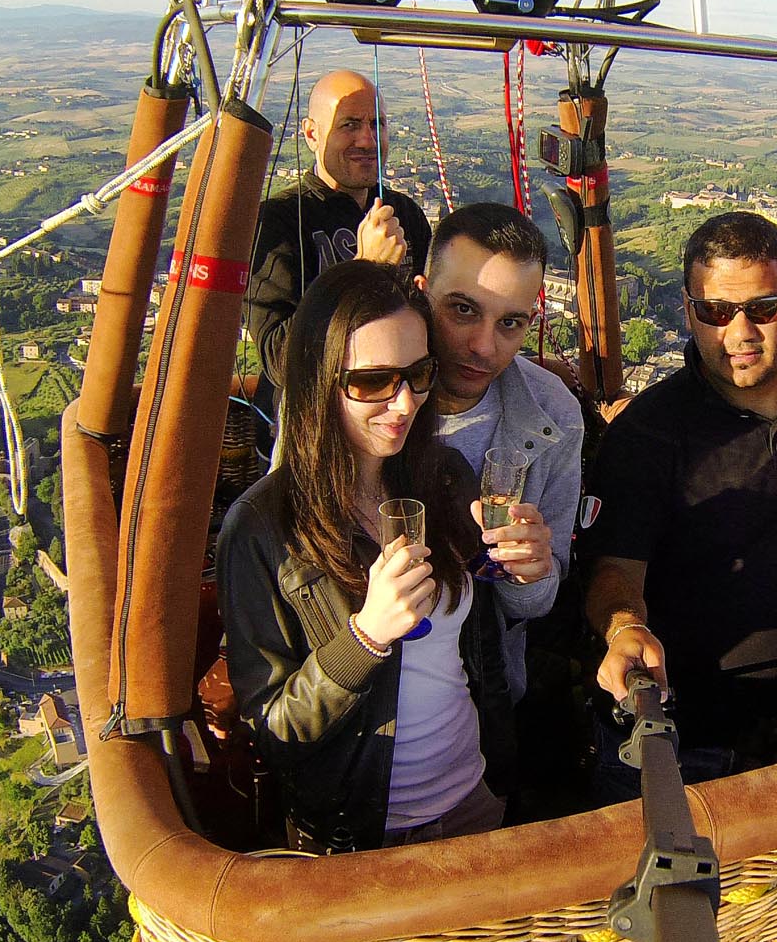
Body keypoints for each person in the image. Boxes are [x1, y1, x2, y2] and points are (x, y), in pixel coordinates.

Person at [217, 260, 514, 852]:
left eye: (419, 374)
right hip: (360, 833)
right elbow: (272, 732)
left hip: (473, 797)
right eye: (374, 381)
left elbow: (470, 648)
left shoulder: (444, 478)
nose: (404, 404)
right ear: (319, 380)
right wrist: (365, 639)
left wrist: (513, 566)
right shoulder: (262, 529)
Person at [582, 211, 777, 795]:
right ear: (689, 314)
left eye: (761, 309)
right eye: (716, 312)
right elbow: (614, 570)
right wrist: (625, 628)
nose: (740, 333)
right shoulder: (650, 433)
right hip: (675, 732)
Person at [416, 202, 584, 700]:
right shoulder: (351, 390)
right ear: (422, 297)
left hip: (483, 689)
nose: (484, 347)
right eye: (463, 310)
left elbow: (535, 603)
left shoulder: (553, 413)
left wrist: (530, 571)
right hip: (364, 697)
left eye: (511, 323)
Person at [244, 69, 434, 403]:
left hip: (397, 411)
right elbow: (279, 360)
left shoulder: (404, 213)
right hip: (311, 428)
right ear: (312, 135)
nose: (367, 140)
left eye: (377, 124)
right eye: (349, 125)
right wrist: (364, 269)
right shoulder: (277, 222)